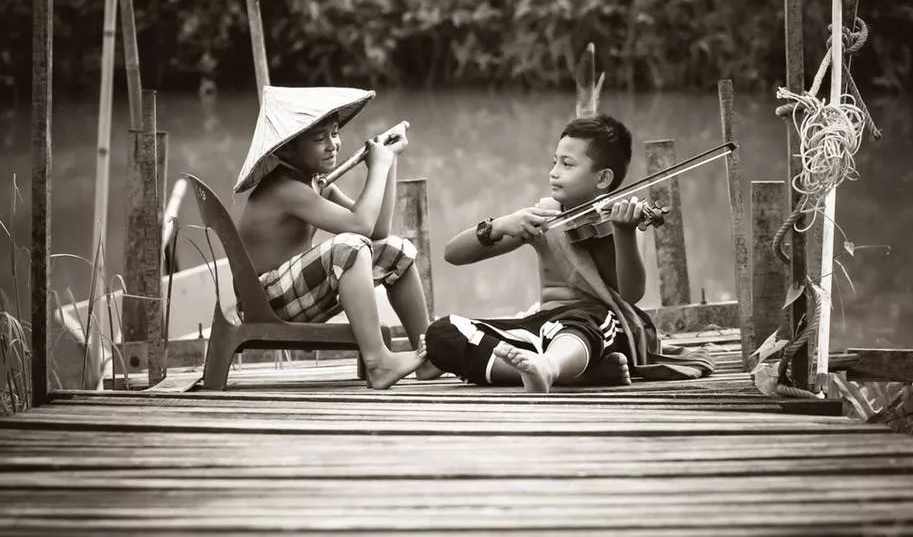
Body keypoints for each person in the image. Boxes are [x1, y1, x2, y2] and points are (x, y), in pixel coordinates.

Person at [425, 113, 714, 392]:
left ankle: (550, 368)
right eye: (554, 162)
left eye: (567, 164)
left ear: (603, 179)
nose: (554, 172)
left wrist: (624, 233)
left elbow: (631, 294)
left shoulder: (621, 221)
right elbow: (454, 254)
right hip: (544, 329)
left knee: (585, 321)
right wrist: (499, 225)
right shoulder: (543, 217)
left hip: (599, 328)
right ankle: (568, 374)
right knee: (443, 333)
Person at [234, 86, 440, 389]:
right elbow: (360, 227)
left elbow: (377, 232)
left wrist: (388, 161)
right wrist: (378, 168)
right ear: (286, 150)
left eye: (334, 133)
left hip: (295, 296)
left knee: (395, 250)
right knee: (349, 247)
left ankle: (432, 355)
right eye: (320, 139)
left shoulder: (317, 184)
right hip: (265, 301)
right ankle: (378, 362)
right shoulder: (284, 189)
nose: (333, 145)